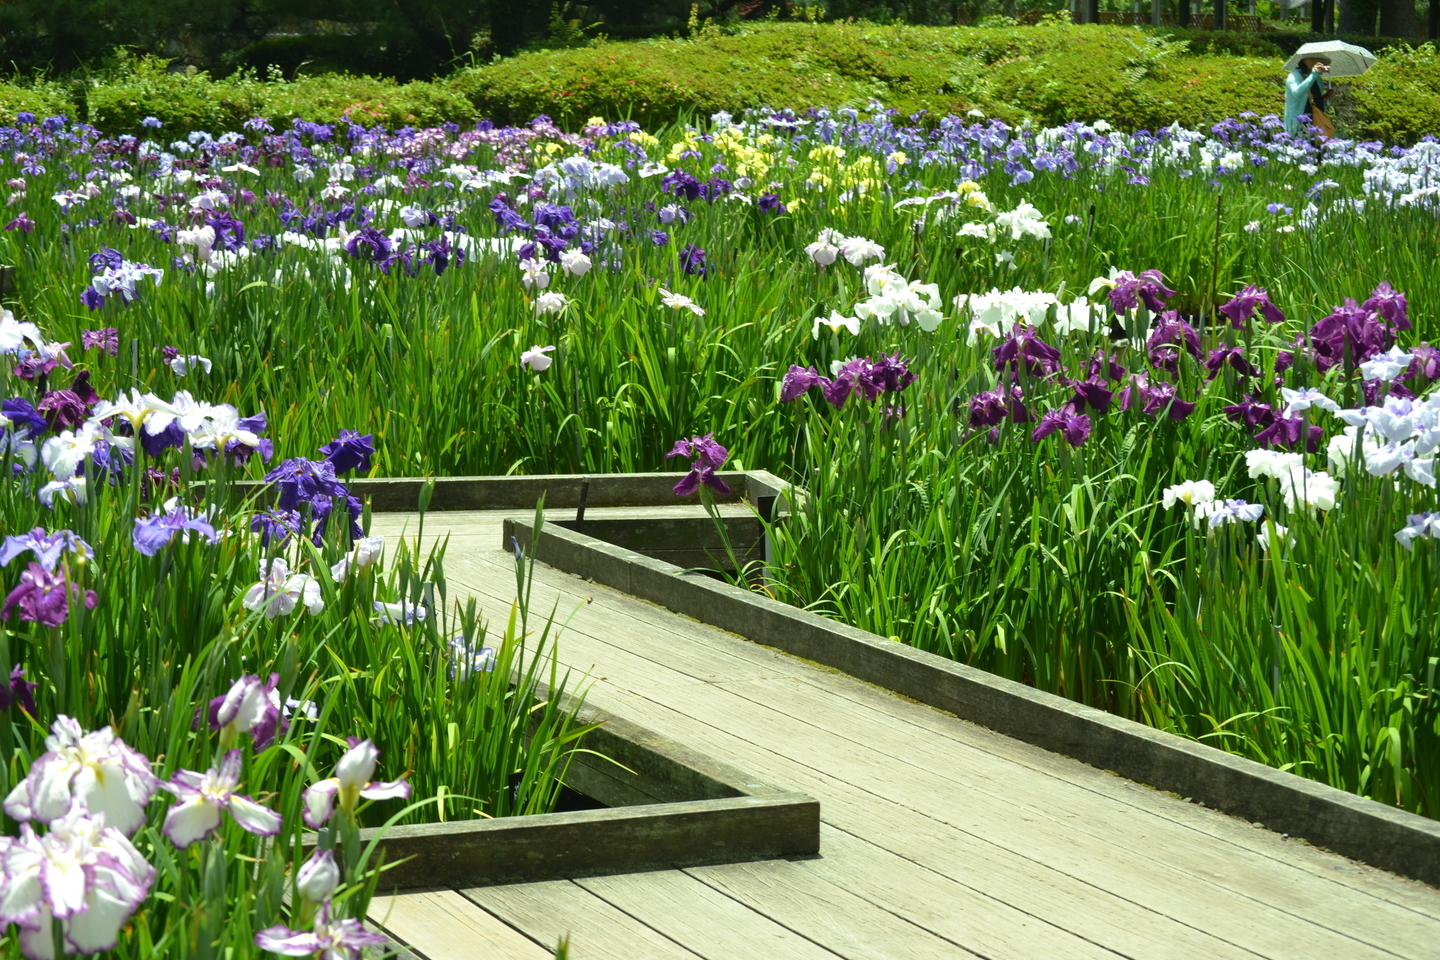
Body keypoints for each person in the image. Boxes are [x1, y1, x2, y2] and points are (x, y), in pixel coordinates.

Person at [1284, 56, 1334, 137]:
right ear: (1303, 60)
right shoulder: (1294, 76)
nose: (1315, 61)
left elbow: (1319, 105)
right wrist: (1314, 74)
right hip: (1298, 124)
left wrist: (1328, 98)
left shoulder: (1318, 79)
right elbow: (1298, 94)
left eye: (1318, 59)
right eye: (1311, 58)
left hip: (1315, 123)